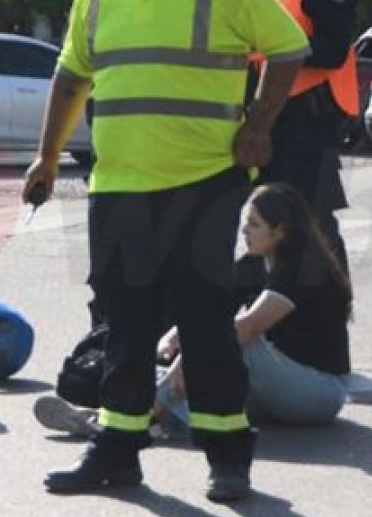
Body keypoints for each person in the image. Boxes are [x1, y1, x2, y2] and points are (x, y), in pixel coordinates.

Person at [21, 0, 309, 503]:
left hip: (203, 185)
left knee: (205, 327)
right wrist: (45, 158)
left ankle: (228, 457)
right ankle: (118, 451)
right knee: (124, 327)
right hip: (118, 188)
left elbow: (288, 48)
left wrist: (259, 123)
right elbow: (71, 78)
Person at [36, 182, 354, 437]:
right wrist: (174, 337)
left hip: (319, 392)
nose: (245, 232)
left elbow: (247, 329)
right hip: (279, 381)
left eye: (254, 225)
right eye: (245, 223)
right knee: (198, 377)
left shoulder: (303, 269)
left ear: (281, 231)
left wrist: (187, 356)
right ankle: (115, 419)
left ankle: (136, 422)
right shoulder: (257, 262)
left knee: (230, 345)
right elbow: (212, 304)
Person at [241, 0, 358, 272]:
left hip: (309, 120)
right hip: (270, 120)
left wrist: (279, 51)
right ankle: (273, 306)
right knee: (270, 220)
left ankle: (332, 304)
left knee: (312, 221)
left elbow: (333, 48)